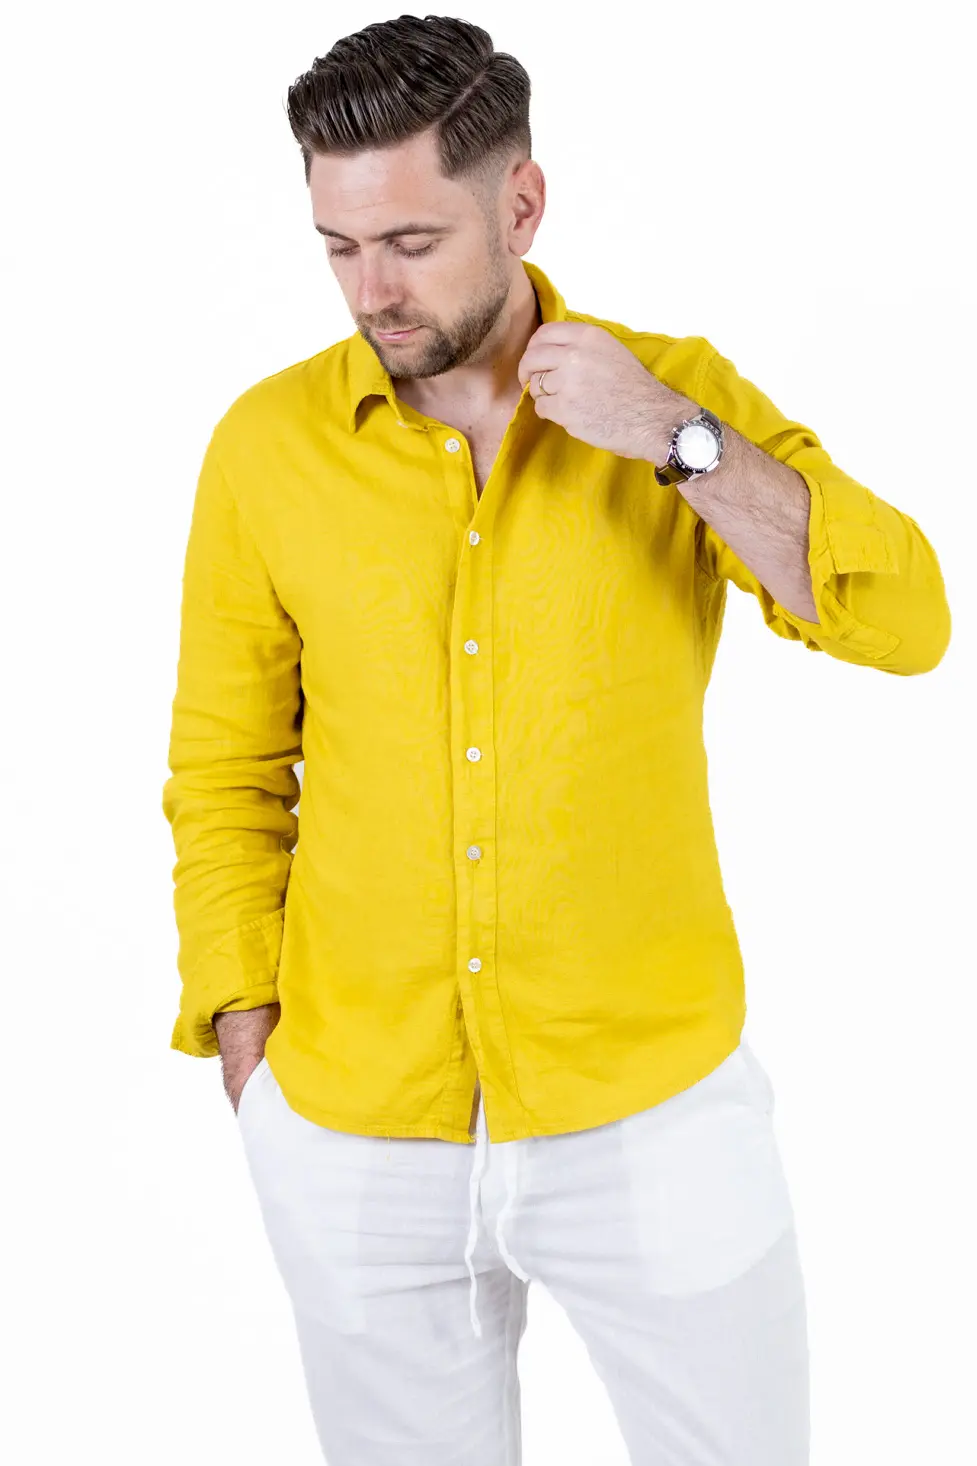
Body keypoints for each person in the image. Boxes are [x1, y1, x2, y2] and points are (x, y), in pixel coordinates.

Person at [161, 15, 951, 1466]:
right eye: (340, 247)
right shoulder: (265, 447)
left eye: (412, 241)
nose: (374, 291)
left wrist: (676, 439)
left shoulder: (673, 399)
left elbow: (904, 621)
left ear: (520, 204)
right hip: (358, 1122)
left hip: (650, 1112)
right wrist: (244, 1032)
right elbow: (225, 767)